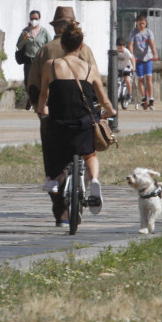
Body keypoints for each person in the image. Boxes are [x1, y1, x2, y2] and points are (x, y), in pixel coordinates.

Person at [27, 7, 101, 224]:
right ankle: (82, 193)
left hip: (52, 116)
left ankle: (60, 210)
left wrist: (39, 109)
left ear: (56, 27)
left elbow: (33, 85)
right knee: (88, 154)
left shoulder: (45, 51)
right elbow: (95, 84)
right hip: (82, 115)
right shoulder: (84, 50)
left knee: (53, 162)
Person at [36, 22, 115, 226]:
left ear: (62, 44)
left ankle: (54, 182)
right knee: (90, 154)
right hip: (83, 123)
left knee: (54, 154)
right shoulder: (90, 68)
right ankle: (94, 180)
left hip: (59, 123)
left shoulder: (51, 65)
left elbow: (43, 95)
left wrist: (42, 109)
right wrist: (111, 111)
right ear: (81, 46)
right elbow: (103, 99)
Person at [16, 10, 51, 109]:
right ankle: (30, 100)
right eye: (32, 19)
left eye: (36, 19)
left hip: (40, 61)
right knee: (28, 81)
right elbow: (19, 46)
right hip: (29, 60)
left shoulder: (44, 32)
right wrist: (24, 39)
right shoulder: (25, 31)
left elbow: (49, 44)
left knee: (41, 81)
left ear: (39, 19)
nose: (34, 21)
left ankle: (40, 101)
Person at [127, 14, 158, 109]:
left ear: (146, 23)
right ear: (136, 23)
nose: (141, 26)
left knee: (149, 78)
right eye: (139, 24)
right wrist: (131, 55)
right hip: (138, 59)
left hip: (147, 57)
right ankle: (144, 97)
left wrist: (155, 54)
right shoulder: (133, 33)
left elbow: (152, 44)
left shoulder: (149, 32)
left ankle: (151, 97)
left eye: (143, 24)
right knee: (140, 79)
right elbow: (131, 44)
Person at [116, 37, 135, 104]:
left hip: (127, 67)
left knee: (127, 80)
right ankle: (116, 95)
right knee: (117, 81)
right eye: (118, 48)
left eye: (121, 48)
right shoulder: (115, 52)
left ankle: (129, 94)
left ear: (124, 46)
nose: (120, 50)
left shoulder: (127, 52)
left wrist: (134, 67)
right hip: (119, 68)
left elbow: (132, 59)